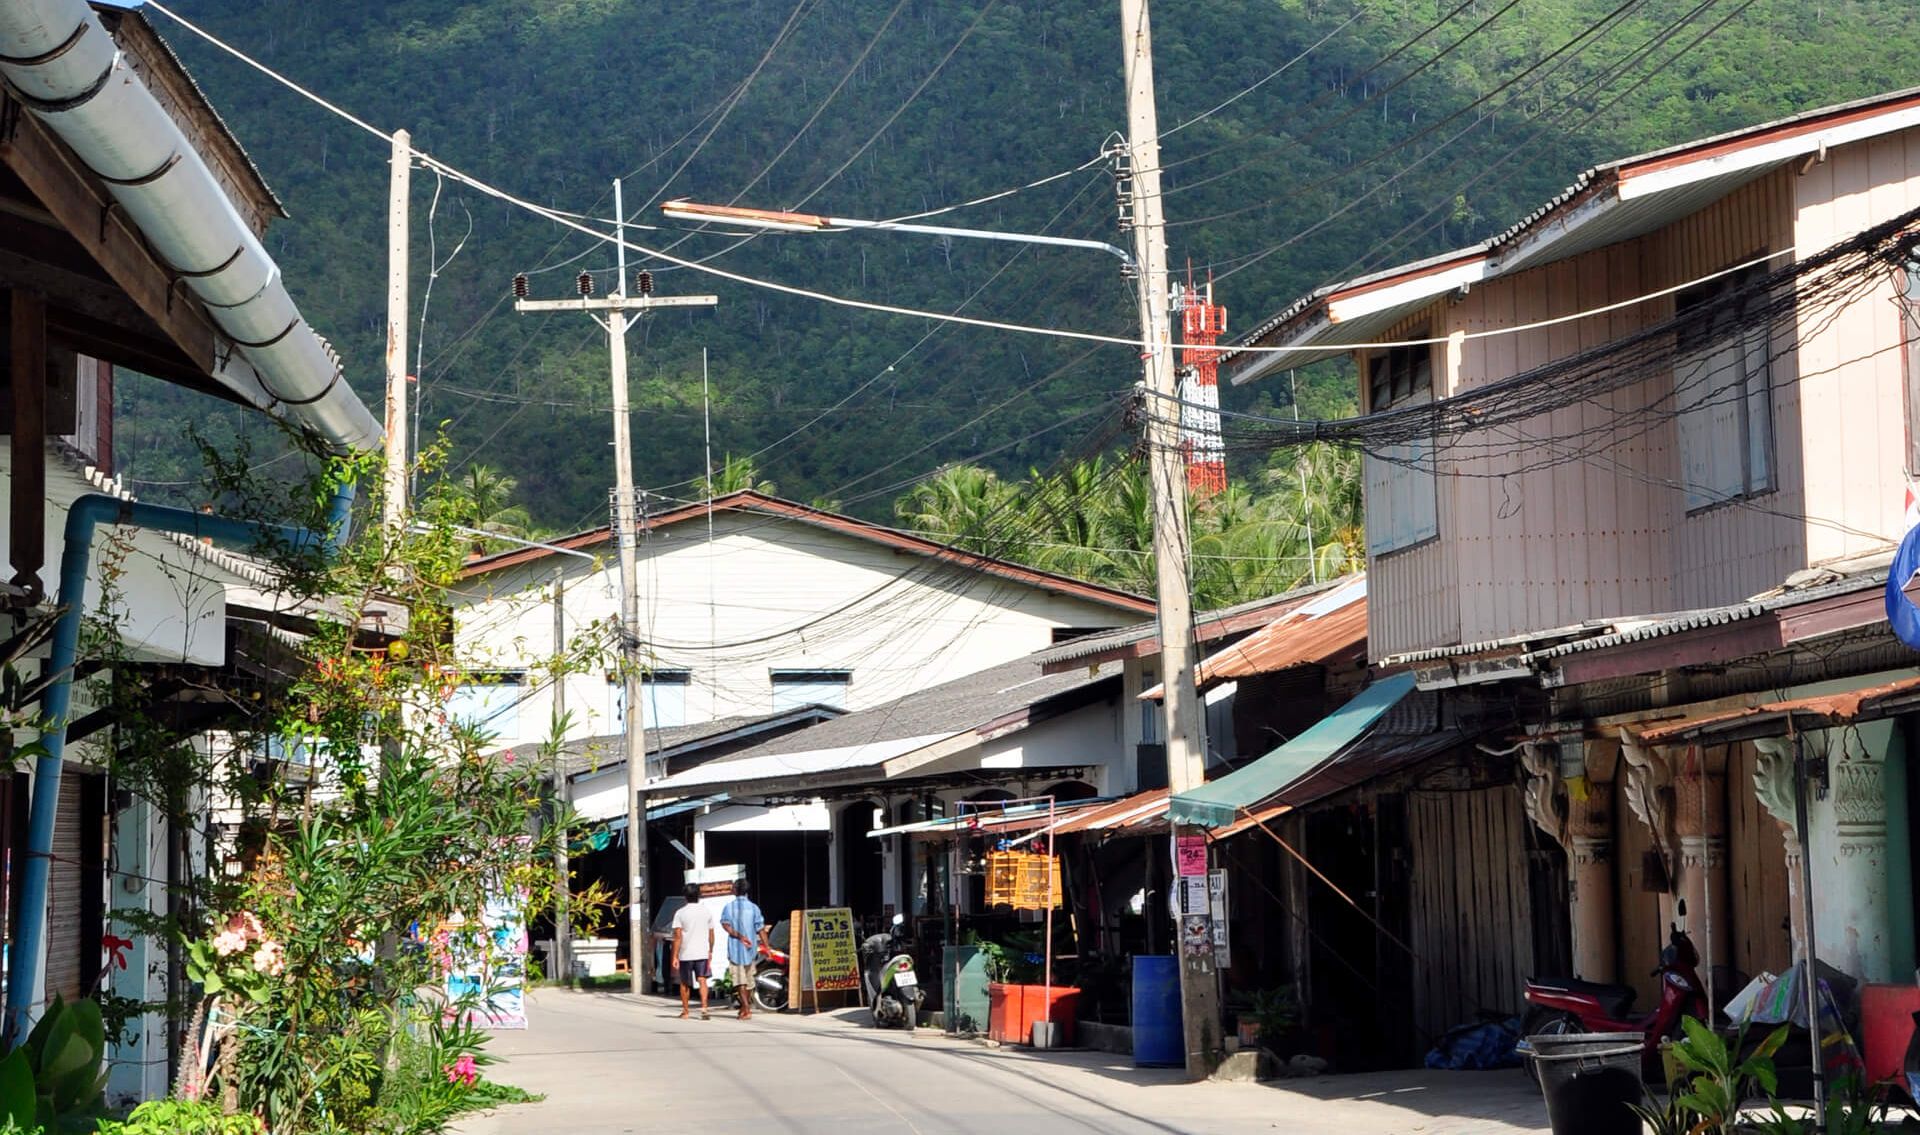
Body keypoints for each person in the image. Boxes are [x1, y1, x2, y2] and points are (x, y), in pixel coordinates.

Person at [720, 879, 768, 1019]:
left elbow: (726, 926)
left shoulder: (728, 907)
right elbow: (761, 929)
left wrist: (739, 936)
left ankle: (746, 1009)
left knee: (740, 981)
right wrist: (768, 947)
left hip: (736, 950)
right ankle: (744, 1007)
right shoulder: (754, 908)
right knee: (748, 980)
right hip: (750, 950)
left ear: (735, 890)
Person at [670, 883, 716, 1020]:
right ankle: (704, 1008)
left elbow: (678, 936)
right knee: (702, 980)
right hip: (702, 952)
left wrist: (675, 956)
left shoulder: (680, 913)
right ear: (699, 895)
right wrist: (710, 949)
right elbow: (711, 934)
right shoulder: (706, 911)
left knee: (684, 983)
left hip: (686, 954)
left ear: (685, 896)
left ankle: (686, 1011)